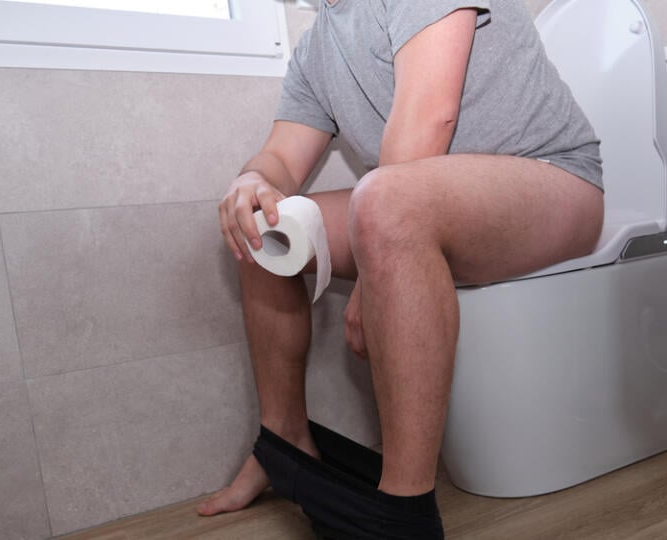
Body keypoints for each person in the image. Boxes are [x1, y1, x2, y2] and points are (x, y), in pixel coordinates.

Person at [198, 0, 604, 535]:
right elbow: (281, 158)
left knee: (386, 202)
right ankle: (283, 443)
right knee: (260, 227)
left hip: (553, 177)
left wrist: (374, 262)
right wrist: (249, 181)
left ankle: (402, 512)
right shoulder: (318, 43)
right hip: (433, 200)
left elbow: (430, 112)